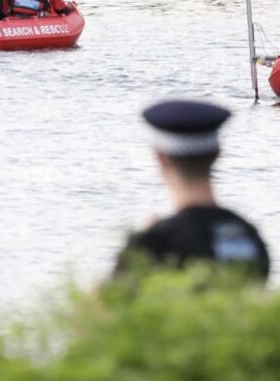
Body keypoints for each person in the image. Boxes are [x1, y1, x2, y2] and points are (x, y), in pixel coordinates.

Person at [112, 100, 270, 282]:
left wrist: (141, 239)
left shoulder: (155, 241)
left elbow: (103, 304)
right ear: (217, 153)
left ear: (161, 158)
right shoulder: (245, 233)